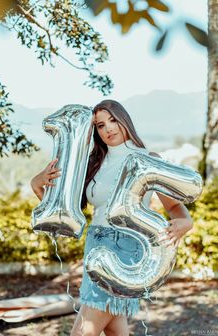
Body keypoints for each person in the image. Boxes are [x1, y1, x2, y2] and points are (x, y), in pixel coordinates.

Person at [31, 99, 193, 336]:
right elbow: (61, 205)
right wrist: (38, 183)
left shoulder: (148, 158)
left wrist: (186, 223)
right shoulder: (93, 164)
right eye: (100, 125)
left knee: (82, 332)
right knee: (116, 330)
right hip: (94, 247)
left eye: (113, 120)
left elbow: (175, 206)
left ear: (124, 120)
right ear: (94, 131)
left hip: (127, 252)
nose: (108, 128)